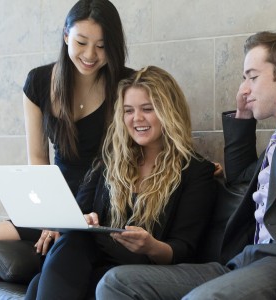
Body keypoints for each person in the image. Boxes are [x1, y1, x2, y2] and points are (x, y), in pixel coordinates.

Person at [96, 31, 276, 299]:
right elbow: (239, 178)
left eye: (252, 77)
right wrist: (242, 115)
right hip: (246, 260)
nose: (244, 88)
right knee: (116, 283)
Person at [0, 0, 132, 298]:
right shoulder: (40, 82)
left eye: (102, 46)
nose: (90, 55)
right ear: (66, 36)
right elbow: (38, 160)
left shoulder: (126, 84)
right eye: (81, 42)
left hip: (100, 206)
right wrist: (51, 215)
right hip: (54, 200)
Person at [24, 65, 218, 299]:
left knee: (41, 284)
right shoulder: (109, 162)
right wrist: (83, 220)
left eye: (147, 109)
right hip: (98, 261)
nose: (136, 119)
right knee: (71, 243)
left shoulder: (195, 171)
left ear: (169, 111)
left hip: (146, 270)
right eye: (128, 111)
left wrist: (150, 245)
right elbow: (78, 213)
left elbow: (184, 250)